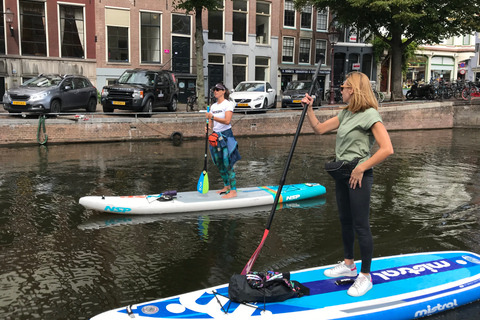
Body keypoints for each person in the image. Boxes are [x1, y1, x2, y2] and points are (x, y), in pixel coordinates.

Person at [301, 72, 394, 297]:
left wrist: (361, 167)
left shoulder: (370, 114)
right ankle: (349, 264)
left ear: (352, 89)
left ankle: (366, 275)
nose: (340, 90)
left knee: (361, 225)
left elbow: (387, 148)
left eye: (342, 87)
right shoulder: (346, 114)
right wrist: (309, 109)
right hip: (343, 173)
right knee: (345, 221)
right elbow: (319, 129)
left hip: (360, 175)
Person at [205, 83, 241, 199]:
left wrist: (212, 118)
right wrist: (208, 126)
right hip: (216, 137)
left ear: (223, 91)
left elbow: (227, 121)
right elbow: (211, 123)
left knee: (227, 163)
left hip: (226, 137)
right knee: (219, 163)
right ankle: (226, 186)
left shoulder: (228, 104)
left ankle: (234, 190)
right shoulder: (213, 106)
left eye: (217, 90)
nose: (215, 91)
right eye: (214, 89)